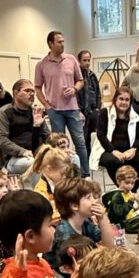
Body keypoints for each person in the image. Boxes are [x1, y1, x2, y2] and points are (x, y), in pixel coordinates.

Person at [34, 31, 89, 176]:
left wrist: (74, 89)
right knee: (58, 145)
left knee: (80, 142)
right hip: (54, 111)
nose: (63, 44)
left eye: (63, 41)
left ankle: (85, 174)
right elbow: (37, 88)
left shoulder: (71, 59)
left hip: (72, 108)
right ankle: (62, 174)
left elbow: (80, 81)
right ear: (50, 44)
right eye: (59, 42)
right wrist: (47, 106)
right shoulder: (41, 64)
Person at [49, 177, 115, 269]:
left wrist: (103, 219)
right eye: (89, 197)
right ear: (74, 205)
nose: (95, 201)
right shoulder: (64, 234)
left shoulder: (86, 222)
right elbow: (70, 268)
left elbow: (110, 247)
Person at [91, 87, 139, 186]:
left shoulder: (135, 115)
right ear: (115, 99)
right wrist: (113, 151)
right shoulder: (105, 112)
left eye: (127, 100)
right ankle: (121, 187)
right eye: (121, 99)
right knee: (114, 161)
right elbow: (101, 135)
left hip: (128, 151)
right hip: (108, 150)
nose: (124, 102)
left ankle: (133, 187)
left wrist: (132, 150)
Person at [0, 79, 49, 176]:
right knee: (33, 163)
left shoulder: (35, 112)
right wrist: (21, 151)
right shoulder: (4, 113)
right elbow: (1, 140)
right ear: (16, 93)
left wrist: (60, 146)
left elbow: (47, 136)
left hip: (37, 154)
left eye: (33, 91)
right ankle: (38, 187)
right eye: (27, 91)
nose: (32, 94)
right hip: (14, 158)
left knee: (70, 158)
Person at [26, 145, 73, 222]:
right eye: (62, 173)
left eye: (66, 173)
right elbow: (52, 218)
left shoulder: (58, 184)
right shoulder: (41, 192)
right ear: (49, 169)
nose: (64, 177)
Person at [102, 165, 139, 231]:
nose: (130, 186)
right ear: (118, 181)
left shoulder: (127, 193)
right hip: (122, 224)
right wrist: (130, 201)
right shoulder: (117, 195)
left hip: (129, 219)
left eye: (132, 183)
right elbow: (120, 213)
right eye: (127, 183)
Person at [77, 50, 101, 156]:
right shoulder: (76, 76)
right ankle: (84, 160)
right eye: (84, 60)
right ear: (79, 61)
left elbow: (98, 93)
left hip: (93, 112)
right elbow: (75, 96)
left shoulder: (92, 75)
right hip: (81, 113)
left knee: (95, 137)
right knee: (83, 139)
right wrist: (78, 110)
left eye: (88, 60)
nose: (87, 63)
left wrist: (98, 108)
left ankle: (94, 158)